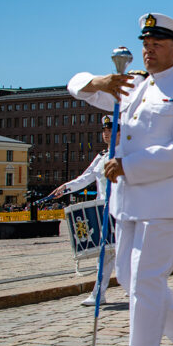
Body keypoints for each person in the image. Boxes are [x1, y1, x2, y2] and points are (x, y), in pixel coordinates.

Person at [68, 12, 173, 346]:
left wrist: (128, 166)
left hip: (165, 200)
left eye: (156, 46)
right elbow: (77, 87)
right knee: (131, 281)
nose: (147, 52)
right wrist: (96, 82)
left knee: (147, 281)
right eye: (144, 45)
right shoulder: (130, 86)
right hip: (128, 200)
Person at [49, 116, 123, 306]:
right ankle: (99, 292)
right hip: (104, 209)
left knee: (125, 254)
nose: (106, 134)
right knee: (106, 253)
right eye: (104, 131)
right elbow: (86, 178)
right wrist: (65, 188)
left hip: (124, 209)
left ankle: (142, 290)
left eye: (111, 130)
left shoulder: (127, 154)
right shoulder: (101, 157)